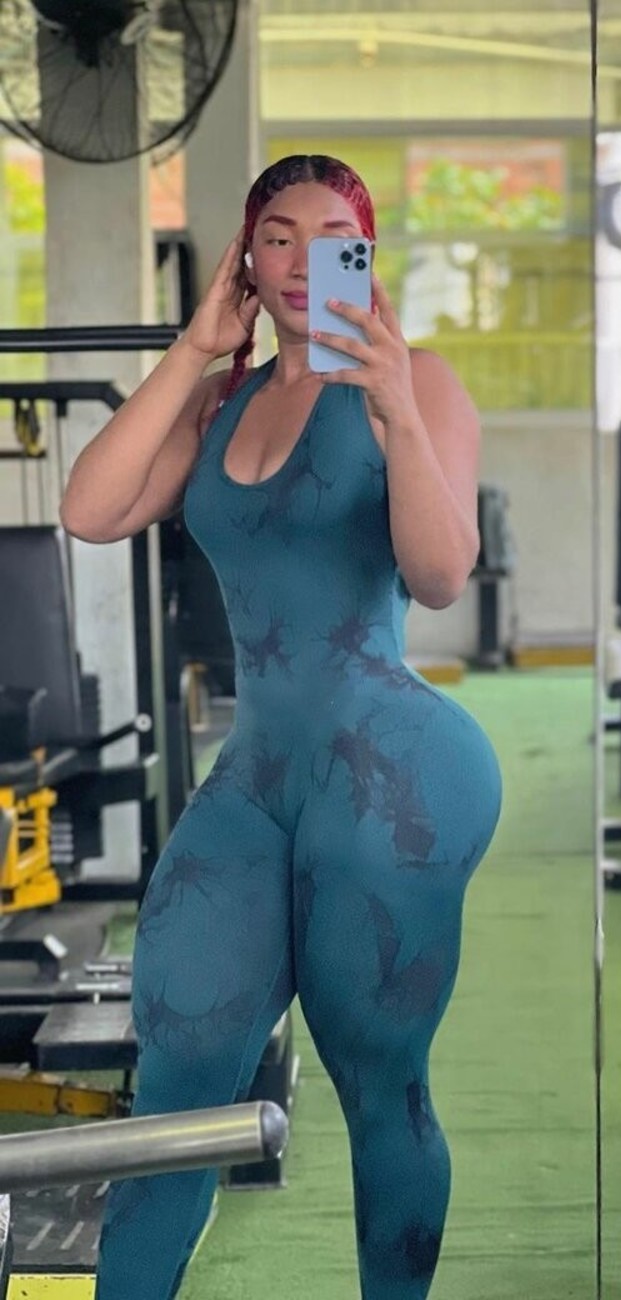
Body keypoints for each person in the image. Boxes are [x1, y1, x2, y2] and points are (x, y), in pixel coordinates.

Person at [59, 154, 502, 1299]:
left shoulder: (419, 381)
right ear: (245, 264)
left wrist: (395, 406)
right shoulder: (224, 400)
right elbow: (91, 508)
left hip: (396, 772)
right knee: (179, 1071)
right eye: (278, 238)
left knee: (378, 1080)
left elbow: (440, 574)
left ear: (368, 255)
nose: (305, 261)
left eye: (333, 238)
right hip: (256, 778)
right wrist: (196, 348)